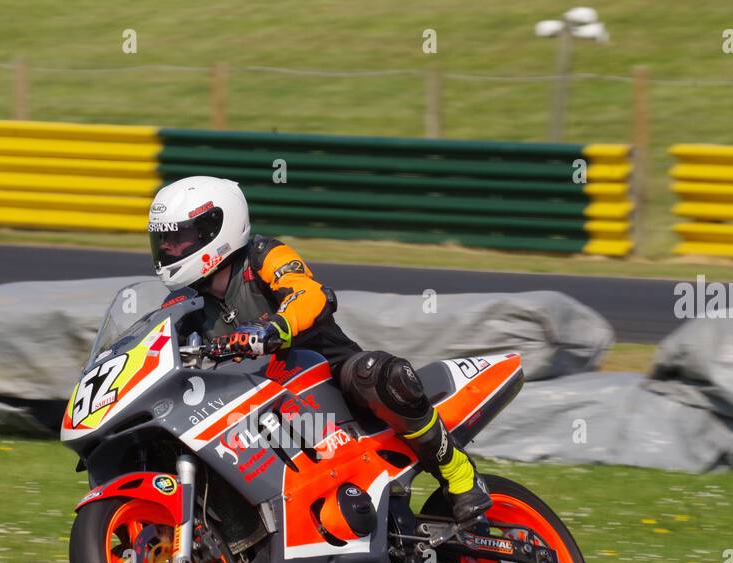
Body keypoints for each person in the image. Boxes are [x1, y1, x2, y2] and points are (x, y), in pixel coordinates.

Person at [148, 175, 491, 526]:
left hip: (327, 377)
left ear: (216, 230)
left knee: (376, 372)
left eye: (179, 238)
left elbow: (310, 294)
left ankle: (458, 471)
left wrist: (275, 328)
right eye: (163, 240)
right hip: (253, 406)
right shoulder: (180, 303)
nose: (168, 250)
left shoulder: (263, 256)